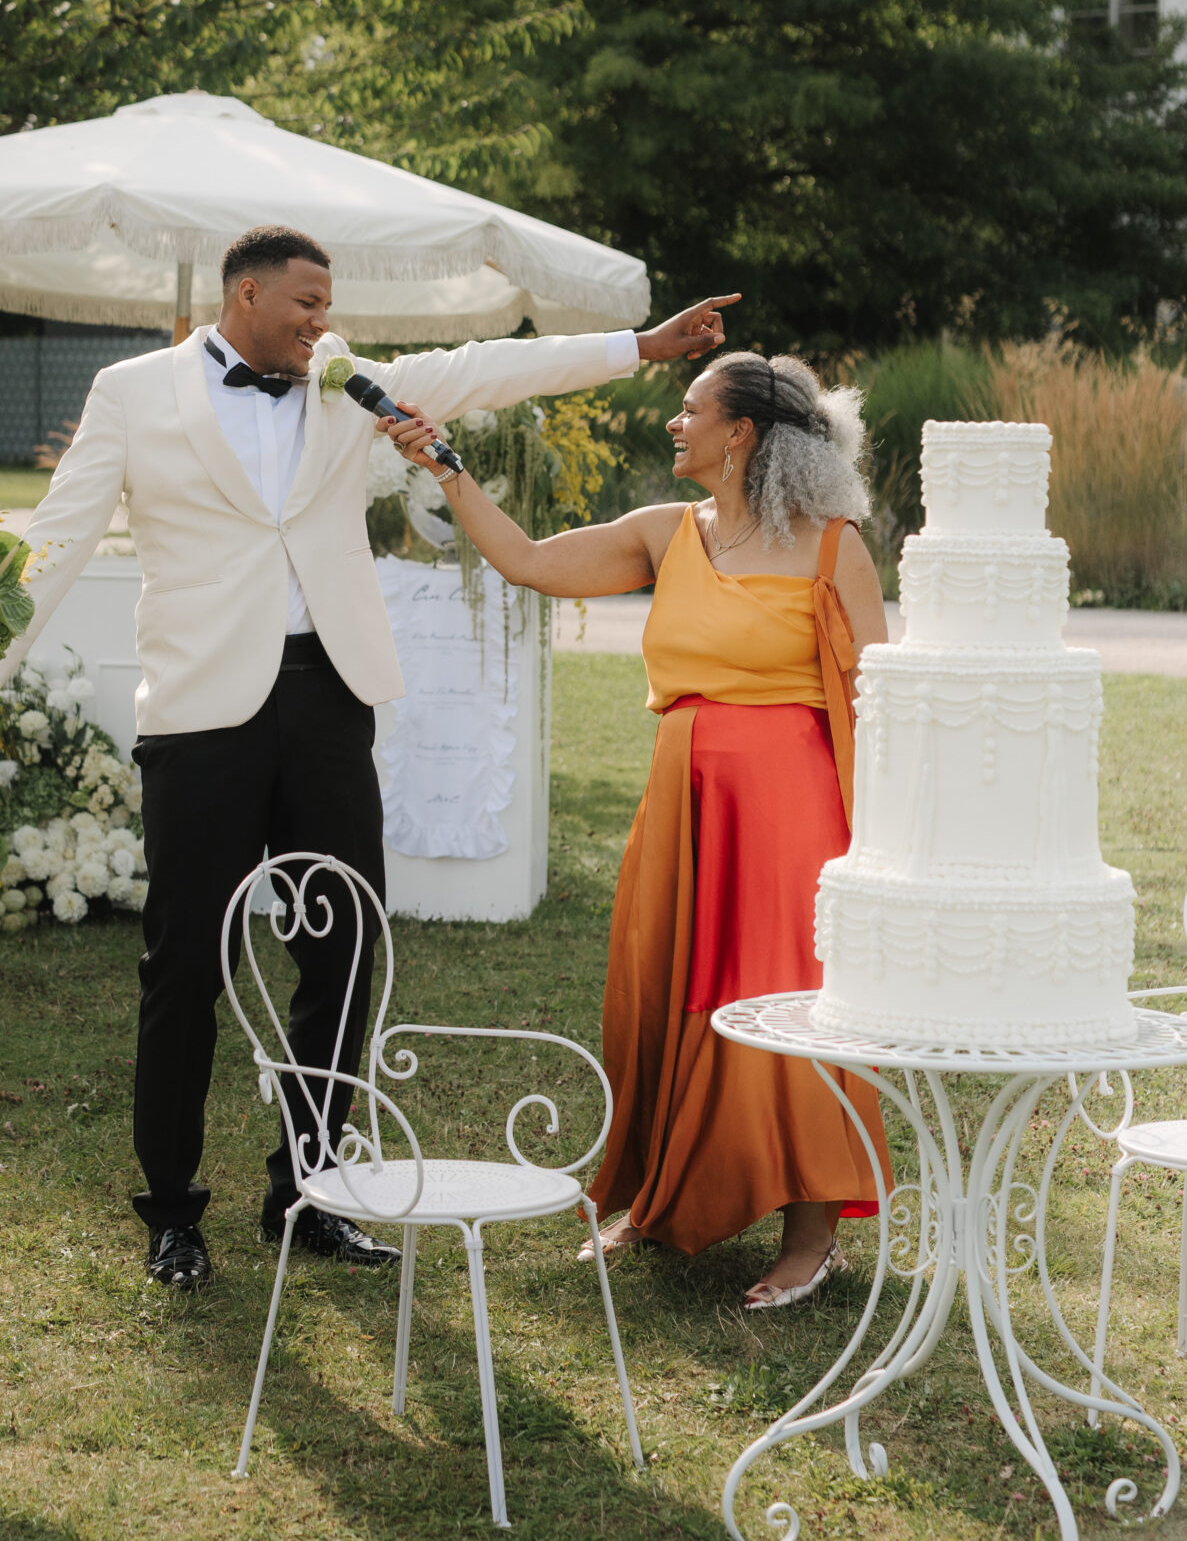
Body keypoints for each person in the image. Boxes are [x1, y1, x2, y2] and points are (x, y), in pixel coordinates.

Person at [0, 224, 737, 1293]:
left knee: (345, 946)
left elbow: (484, 367)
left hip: (329, 701)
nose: (325, 321)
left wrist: (640, 348)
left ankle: (309, 1190)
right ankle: (171, 1212)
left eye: (329, 305)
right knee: (185, 966)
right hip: (200, 712)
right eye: (307, 303)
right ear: (249, 293)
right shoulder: (132, 392)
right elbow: (58, 534)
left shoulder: (341, 382)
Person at [382, 350, 893, 1308]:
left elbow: (882, 696)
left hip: (789, 809)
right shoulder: (665, 533)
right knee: (665, 989)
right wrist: (444, 467)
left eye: (692, 408)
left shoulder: (833, 546)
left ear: (739, 433)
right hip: (681, 791)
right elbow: (530, 562)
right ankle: (657, 1197)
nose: (675, 420)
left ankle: (812, 1233)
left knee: (787, 1002)